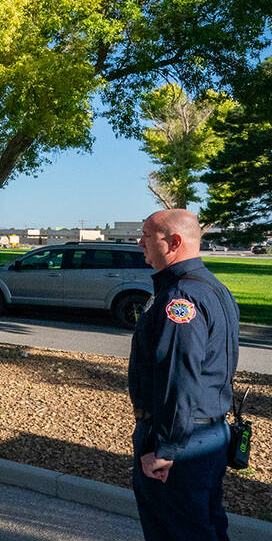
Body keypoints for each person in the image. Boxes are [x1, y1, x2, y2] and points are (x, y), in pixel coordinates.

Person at [130, 209, 239, 541]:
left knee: (175, 531)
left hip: (184, 441)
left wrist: (166, 448)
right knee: (204, 526)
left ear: (173, 241)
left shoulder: (180, 298)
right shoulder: (213, 288)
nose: (140, 242)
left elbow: (180, 379)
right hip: (208, 433)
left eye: (147, 235)